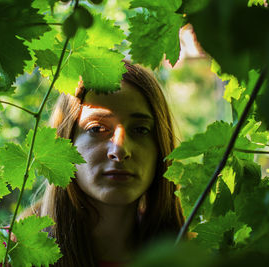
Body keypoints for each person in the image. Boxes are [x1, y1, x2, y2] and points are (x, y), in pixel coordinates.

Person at [22, 62, 185, 266]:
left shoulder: (195, 258)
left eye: (141, 130)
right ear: (65, 143)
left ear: (161, 147)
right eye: (97, 129)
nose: (119, 150)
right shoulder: (7, 255)